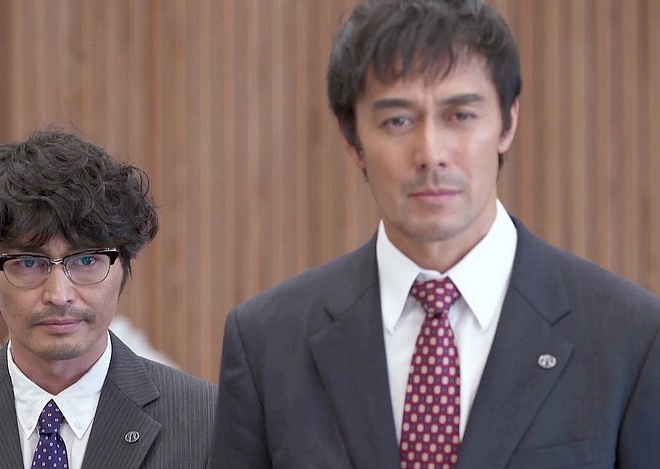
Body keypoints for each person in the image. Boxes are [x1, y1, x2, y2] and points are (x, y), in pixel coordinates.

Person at [209, 0, 660, 468]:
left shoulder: (630, 339)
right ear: (352, 139)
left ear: (507, 122)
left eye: (460, 115)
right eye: (398, 121)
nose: (430, 153)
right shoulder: (267, 344)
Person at [0, 130, 216, 468]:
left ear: (125, 263)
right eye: (29, 263)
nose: (59, 295)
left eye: (86, 260)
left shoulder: (206, 422)